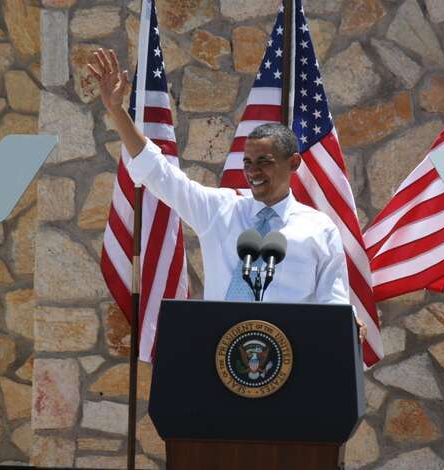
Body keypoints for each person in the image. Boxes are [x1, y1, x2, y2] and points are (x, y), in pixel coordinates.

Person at [88, 48, 366, 341]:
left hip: (292, 365)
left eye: (264, 162)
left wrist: (347, 325)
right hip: (221, 358)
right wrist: (117, 111)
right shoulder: (220, 210)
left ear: (293, 162)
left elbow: (332, 305)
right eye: (247, 163)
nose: (253, 172)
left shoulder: (319, 229)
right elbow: (160, 174)